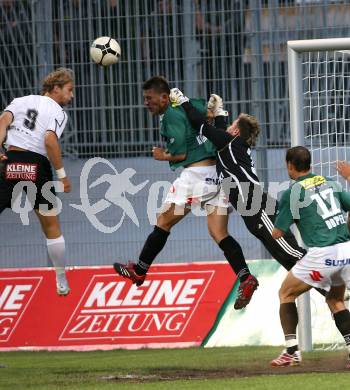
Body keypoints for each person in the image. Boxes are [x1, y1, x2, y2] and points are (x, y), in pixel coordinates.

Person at [113, 76, 258, 310]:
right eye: (144, 99)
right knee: (219, 233)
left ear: (164, 97)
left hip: (196, 177)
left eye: (149, 98)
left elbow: (180, 153)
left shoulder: (170, 116)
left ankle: (139, 270)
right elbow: (207, 113)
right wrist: (214, 111)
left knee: (163, 221)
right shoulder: (190, 103)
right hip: (218, 176)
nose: (146, 103)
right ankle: (245, 277)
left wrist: (163, 156)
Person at [169, 88, 307, 273]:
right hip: (256, 214)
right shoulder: (232, 145)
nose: (227, 126)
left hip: (260, 210)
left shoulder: (231, 143)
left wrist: (183, 101)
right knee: (292, 265)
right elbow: (219, 131)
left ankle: (339, 281)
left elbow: (199, 123)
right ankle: (335, 295)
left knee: (295, 255)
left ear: (235, 131)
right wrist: (219, 113)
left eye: (231, 124)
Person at [270, 146, 350, 368]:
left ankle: (292, 352)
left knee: (285, 293)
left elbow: (278, 232)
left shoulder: (292, 193)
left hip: (322, 253)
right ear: (310, 163)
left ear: (290, 165)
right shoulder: (330, 182)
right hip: (346, 250)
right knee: (335, 300)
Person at [0, 67, 74, 296]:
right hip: (37, 165)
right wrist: (62, 174)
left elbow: (3, 121)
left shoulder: (20, 100)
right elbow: (50, 140)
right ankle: (61, 279)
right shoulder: (59, 113)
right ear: (55, 88)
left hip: (11, 160)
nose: (71, 96)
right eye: (69, 91)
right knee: (51, 227)